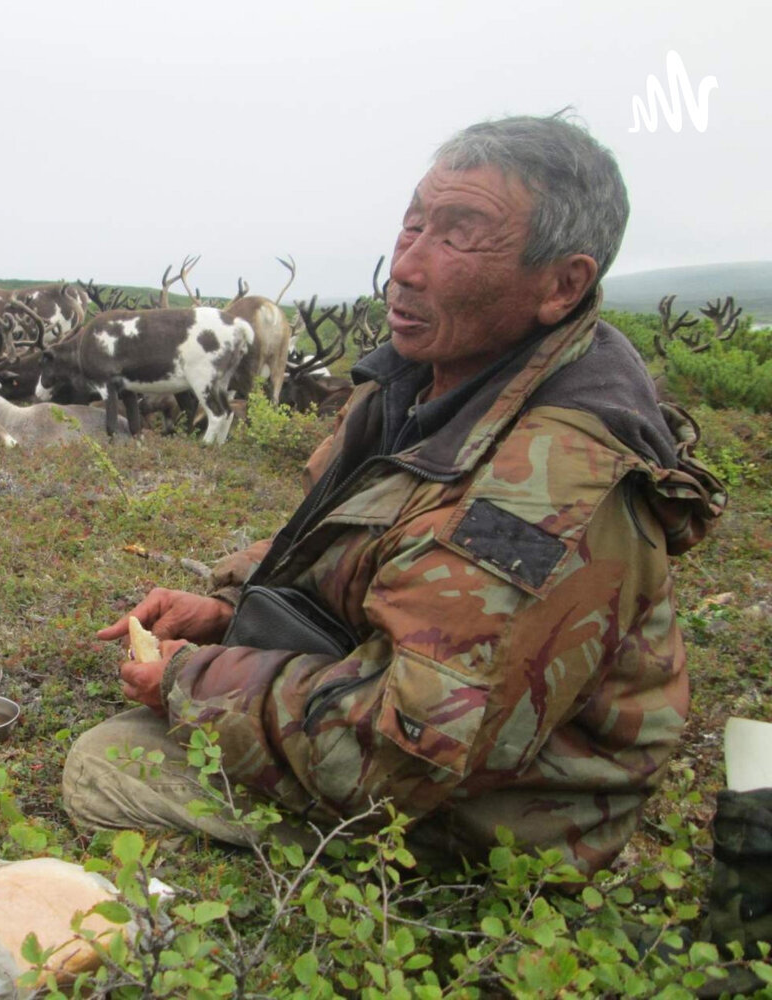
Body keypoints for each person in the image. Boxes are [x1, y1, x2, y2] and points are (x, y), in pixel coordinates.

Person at [63, 112, 725, 876]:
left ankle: (363, 912)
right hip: (439, 734)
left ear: (563, 284)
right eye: (412, 225)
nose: (405, 266)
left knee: (109, 764)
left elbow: (409, 750)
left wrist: (191, 680)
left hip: (504, 821)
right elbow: (378, 561)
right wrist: (228, 615)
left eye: (458, 235)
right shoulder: (426, 384)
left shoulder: (553, 485)